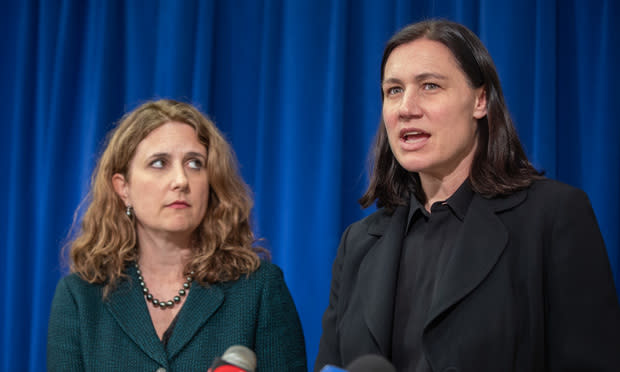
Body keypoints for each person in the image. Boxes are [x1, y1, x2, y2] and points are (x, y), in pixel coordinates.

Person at [315, 19, 620, 371]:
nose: (406, 108)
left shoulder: (553, 217)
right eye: (393, 90)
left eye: (429, 86)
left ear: (480, 100)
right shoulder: (359, 244)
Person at [47, 99, 307, 371]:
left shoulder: (259, 289)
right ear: (123, 188)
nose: (181, 181)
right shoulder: (79, 298)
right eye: (159, 163)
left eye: (195, 164)